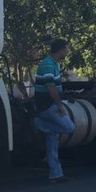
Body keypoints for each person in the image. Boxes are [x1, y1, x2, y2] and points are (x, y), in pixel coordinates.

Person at [33, 39, 76, 184]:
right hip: (47, 106)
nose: (67, 52)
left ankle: (55, 173)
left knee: (52, 138)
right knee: (69, 127)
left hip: (49, 104)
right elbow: (50, 87)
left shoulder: (53, 64)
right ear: (61, 50)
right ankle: (39, 123)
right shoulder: (47, 64)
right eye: (66, 49)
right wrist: (59, 105)